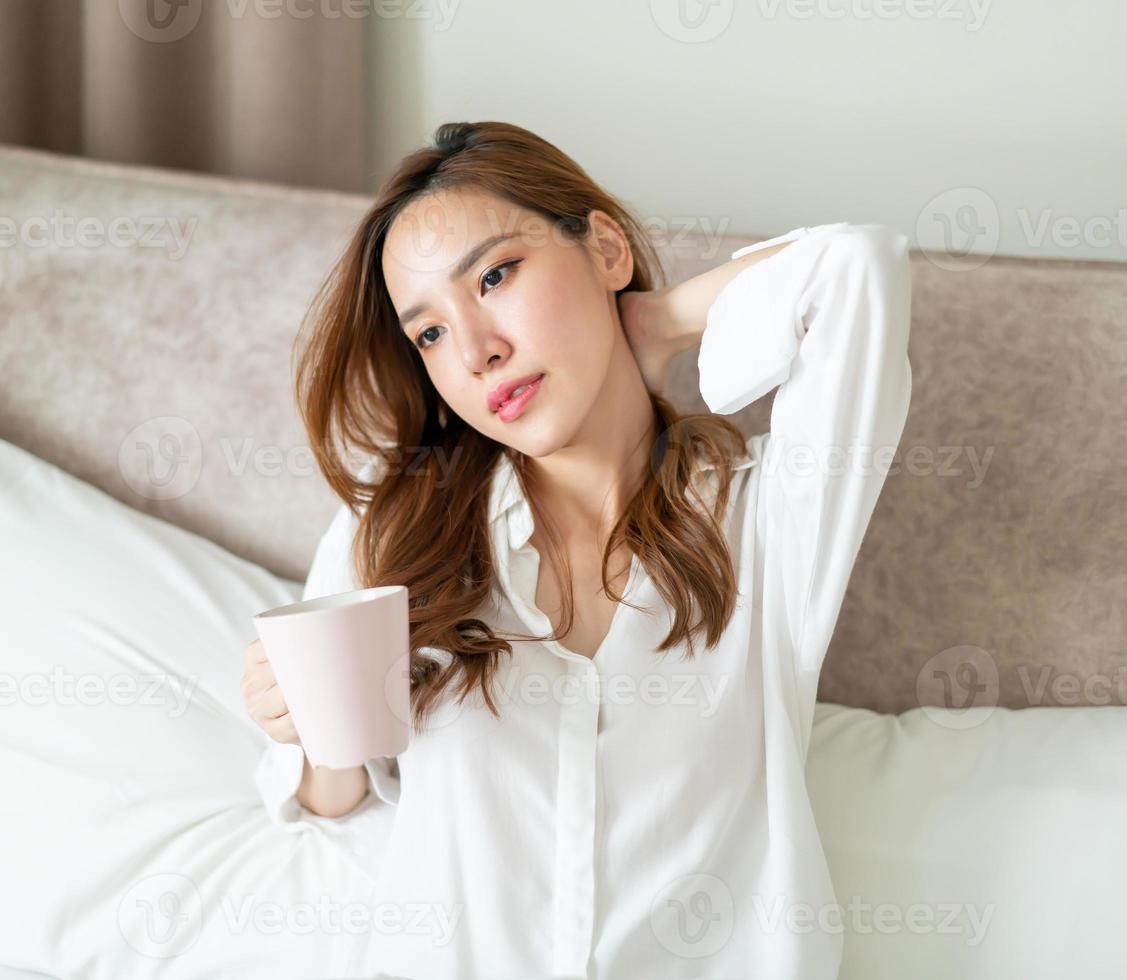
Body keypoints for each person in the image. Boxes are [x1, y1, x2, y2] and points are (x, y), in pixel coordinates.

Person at [241, 120, 913, 980]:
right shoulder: (397, 531)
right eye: (431, 334)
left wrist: (659, 323)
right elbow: (332, 803)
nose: (479, 349)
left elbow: (858, 268)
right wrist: (304, 723)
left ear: (603, 246)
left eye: (495, 275)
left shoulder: (768, 522)